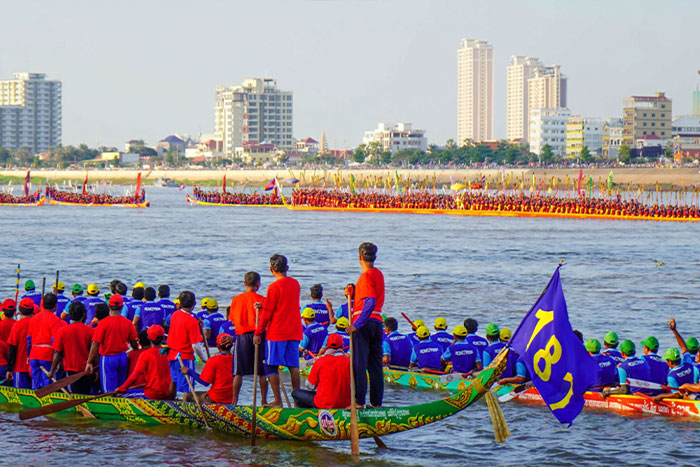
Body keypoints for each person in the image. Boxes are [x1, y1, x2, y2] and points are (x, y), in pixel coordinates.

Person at [254, 254, 303, 408]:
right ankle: (297, 400)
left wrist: (258, 332)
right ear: (287, 268)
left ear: (271, 270)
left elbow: (268, 312)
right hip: (294, 330)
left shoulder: (274, 287)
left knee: (270, 366)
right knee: (293, 366)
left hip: (277, 332)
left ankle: (277, 400)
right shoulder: (295, 283)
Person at [347, 242, 385, 408]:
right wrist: (353, 294)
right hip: (377, 323)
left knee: (359, 364)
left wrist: (356, 324)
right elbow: (367, 298)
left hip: (364, 323)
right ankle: (376, 404)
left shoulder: (365, 276)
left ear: (360, 258)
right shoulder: (379, 274)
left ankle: (358, 402)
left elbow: (370, 302)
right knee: (375, 366)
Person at [85, 294, 139, 393]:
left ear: (109, 306)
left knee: (108, 390)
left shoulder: (103, 323)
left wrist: (89, 362)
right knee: (120, 388)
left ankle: (109, 405)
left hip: (108, 358)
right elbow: (134, 343)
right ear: (122, 307)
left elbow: (95, 344)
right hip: (123, 358)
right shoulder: (127, 323)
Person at [229, 271, 268, 406]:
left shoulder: (236, 300)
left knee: (238, 372)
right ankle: (264, 401)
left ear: (245, 283)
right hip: (259, 335)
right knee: (262, 371)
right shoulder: (263, 300)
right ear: (258, 284)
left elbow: (233, 320)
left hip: (242, 337)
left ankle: (234, 401)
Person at [291, 333, 351, 409]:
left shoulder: (320, 361)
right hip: (346, 404)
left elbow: (309, 385)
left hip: (323, 403)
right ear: (342, 346)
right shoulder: (350, 362)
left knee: (295, 393)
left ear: (326, 346)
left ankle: (311, 413)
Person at [117, 325, 175, 400]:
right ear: (163, 338)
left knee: (120, 396)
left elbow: (135, 375)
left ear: (149, 338)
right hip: (169, 393)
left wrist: (122, 388)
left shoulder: (146, 354)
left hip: (152, 395)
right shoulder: (170, 352)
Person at [166, 290, 205, 401]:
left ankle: (170, 401)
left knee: (173, 381)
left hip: (173, 355)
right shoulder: (191, 321)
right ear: (194, 304)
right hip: (185, 356)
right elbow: (196, 346)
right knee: (188, 386)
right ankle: (184, 407)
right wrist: (204, 358)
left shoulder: (175, 315)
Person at [49, 301, 94, 394]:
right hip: (87, 370)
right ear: (83, 315)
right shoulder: (90, 331)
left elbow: (57, 353)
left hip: (70, 370)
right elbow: (94, 351)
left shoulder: (62, 331)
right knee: (85, 393)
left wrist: (51, 371)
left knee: (73, 393)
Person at [180, 333, 235, 403]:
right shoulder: (236, 359)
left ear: (218, 347)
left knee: (187, 395)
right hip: (231, 399)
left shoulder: (214, 360)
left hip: (216, 398)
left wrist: (189, 371)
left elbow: (205, 382)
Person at [27, 293, 66, 389]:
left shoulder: (33, 319)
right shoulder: (56, 320)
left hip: (34, 355)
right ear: (55, 306)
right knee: (48, 386)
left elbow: (29, 340)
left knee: (35, 384)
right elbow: (55, 343)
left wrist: (28, 355)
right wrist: (59, 359)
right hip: (47, 355)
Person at [6, 298, 35, 389]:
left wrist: (9, 369)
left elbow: (13, 348)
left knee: (20, 395)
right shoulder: (36, 323)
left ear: (19, 310)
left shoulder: (17, 325)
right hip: (34, 366)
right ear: (33, 310)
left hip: (20, 366)